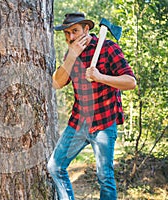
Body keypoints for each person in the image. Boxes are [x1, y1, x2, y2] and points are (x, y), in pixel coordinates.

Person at [47, 13, 136, 200]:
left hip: (103, 123)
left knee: (105, 177)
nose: (70, 37)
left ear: (87, 30)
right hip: (78, 122)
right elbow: (56, 83)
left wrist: (100, 77)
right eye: (67, 33)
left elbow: (130, 82)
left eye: (75, 31)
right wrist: (71, 56)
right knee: (55, 167)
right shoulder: (70, 53)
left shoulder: (108, 48)